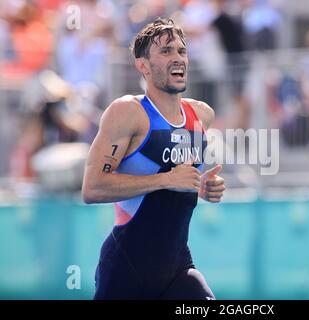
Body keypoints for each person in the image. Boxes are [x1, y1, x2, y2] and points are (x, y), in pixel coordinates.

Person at [81, 17, 225, 300]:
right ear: (143, 65)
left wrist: (203, 187)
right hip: (127, 269)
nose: (177, 58)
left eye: (181, 51)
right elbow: (92, 188)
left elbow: (178, 183)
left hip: (177, 270)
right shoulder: (127, 112)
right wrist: (166, 180)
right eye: (166, 51)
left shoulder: (202, 115)